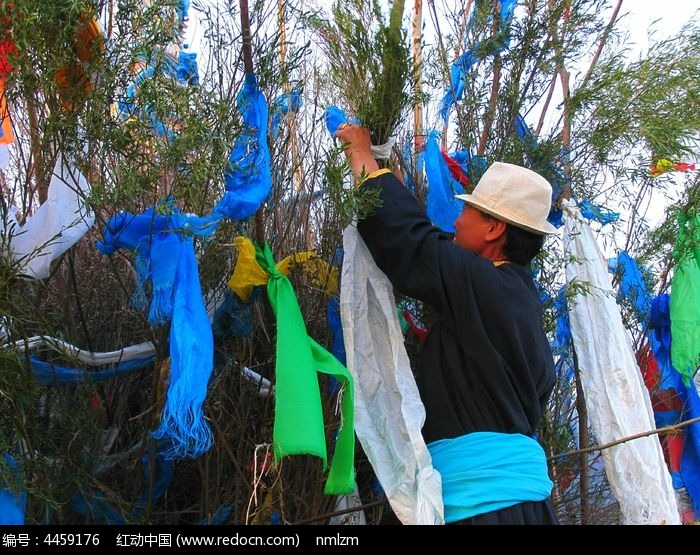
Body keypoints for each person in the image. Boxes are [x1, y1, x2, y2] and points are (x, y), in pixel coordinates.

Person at [335, 123, 559, 525]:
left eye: (467, 211)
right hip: (523, 510)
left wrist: (362, 157)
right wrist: (395, 189)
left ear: (494, 229)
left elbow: (412, 242)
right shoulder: (515, 300)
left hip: (480, 511)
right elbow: (436, 253)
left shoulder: (485, 286)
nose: (456, 221)